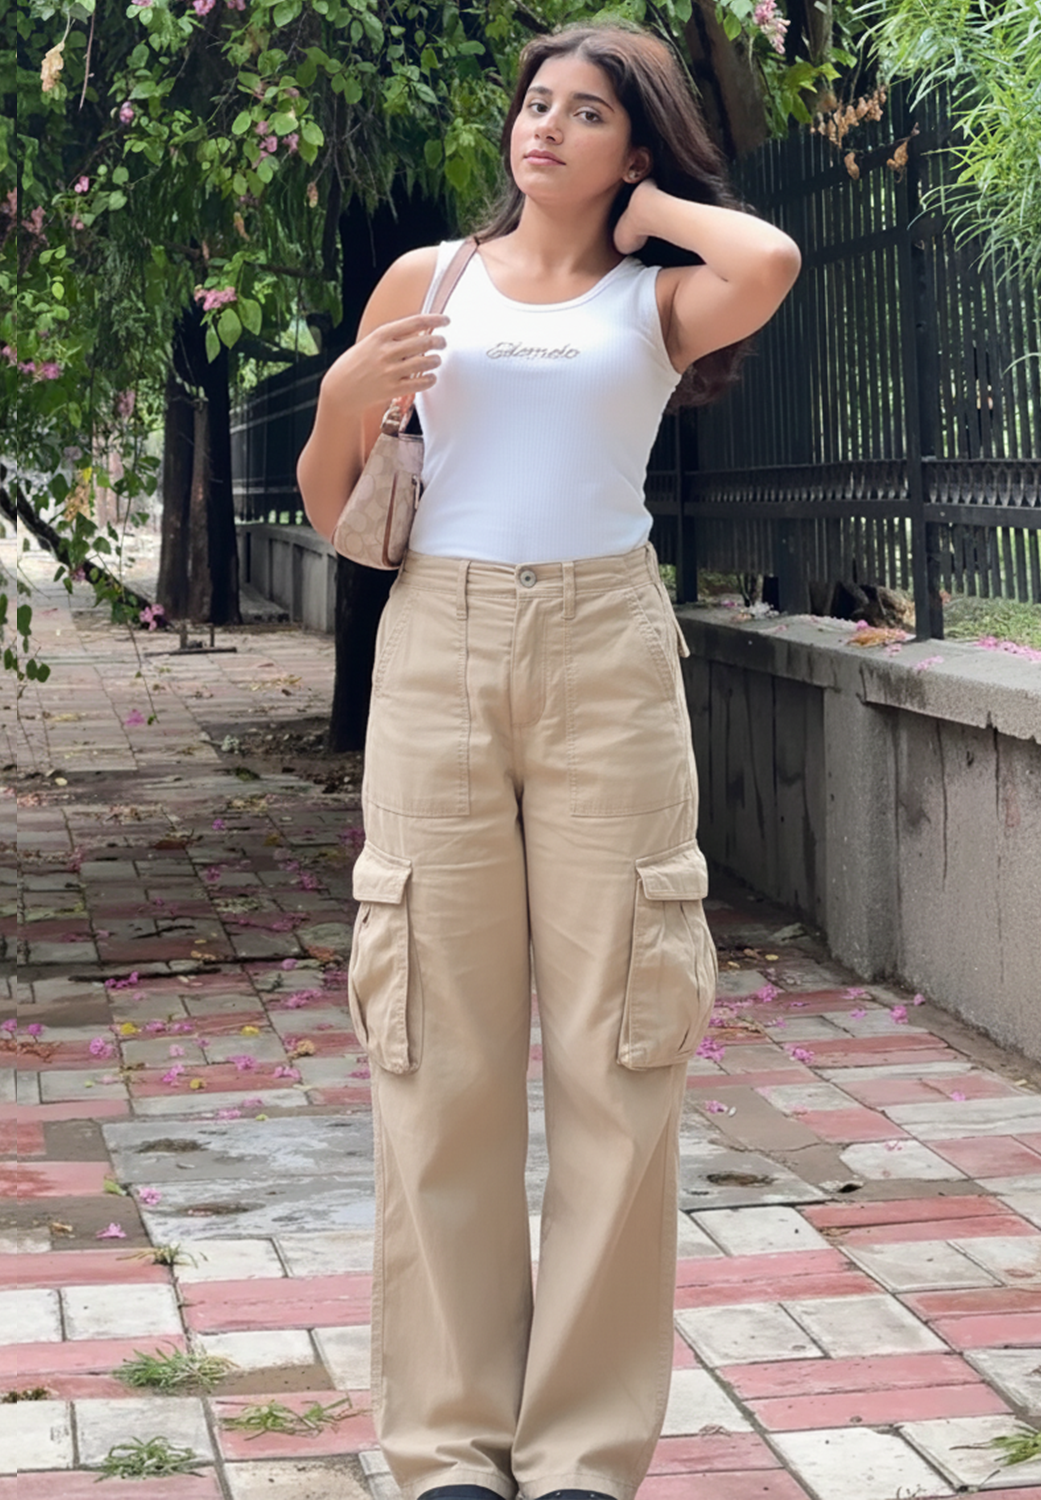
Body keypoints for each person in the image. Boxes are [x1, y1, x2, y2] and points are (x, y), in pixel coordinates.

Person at [297, 22, 800, 1500]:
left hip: (606, 654)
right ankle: (448, 1445)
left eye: (587, 112)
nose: (545, 127)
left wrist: (649, 213)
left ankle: (580, 1451)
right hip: (438, 647)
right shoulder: (428, 280)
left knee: (619, 1044)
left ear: (634, 146)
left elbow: (770, 257)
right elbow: (337, 507)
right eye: (536, 103)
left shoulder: (659, 298)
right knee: (434, 1047)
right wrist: (342, 391)